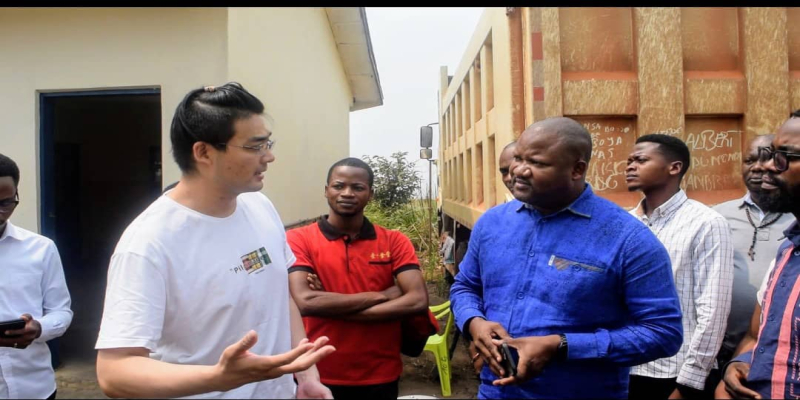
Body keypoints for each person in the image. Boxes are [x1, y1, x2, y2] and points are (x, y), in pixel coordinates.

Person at [94, 83, 335, 399]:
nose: (269, 157)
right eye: (255, 146)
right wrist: (218, 378)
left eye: (268, 143)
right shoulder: (148, 244)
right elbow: (114, 373)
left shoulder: (260, 207)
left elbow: (279, 295)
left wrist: (305, 376)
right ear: (204, 152)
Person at [450, 117, 683, 399]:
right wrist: (474, 322)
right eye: (519, 158)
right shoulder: (492, 224)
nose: (519, 171)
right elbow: (466, 286)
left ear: (577, 169)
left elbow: (663, 333)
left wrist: (561, 345)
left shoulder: (629, 239)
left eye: (537, 163)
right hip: (494, 393)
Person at [286, 157, 429, 399]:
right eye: (339, 186)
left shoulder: (394, 241)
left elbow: (416, 300)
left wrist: (330, 304)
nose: (347, 193)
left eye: (358, 187)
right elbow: (306, 301)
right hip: (318, 372)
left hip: (380, 372)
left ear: (370, 194)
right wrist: (383, 295)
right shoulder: (299, 240)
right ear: (326, 190)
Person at [625, 134, 733, 399]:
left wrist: (689, 383)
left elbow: (713, 309)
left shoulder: (706, 223)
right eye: (628, 161)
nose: (629, 166)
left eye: (640, 160)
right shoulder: (626, 223)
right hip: (625, 366)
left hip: (675, 372)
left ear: (674, 167)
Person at [717, 113, 800, 399]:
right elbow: (762, 335)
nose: (766, 167)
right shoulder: (788, 249)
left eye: (784, 156)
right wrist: (740, 365)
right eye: (769, 155)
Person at [0, 153, 73, 400]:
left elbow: (61, 311)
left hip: (34, 387)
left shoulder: (42, 248)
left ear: (16, 195)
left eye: (5, 203)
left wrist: (38, 327)